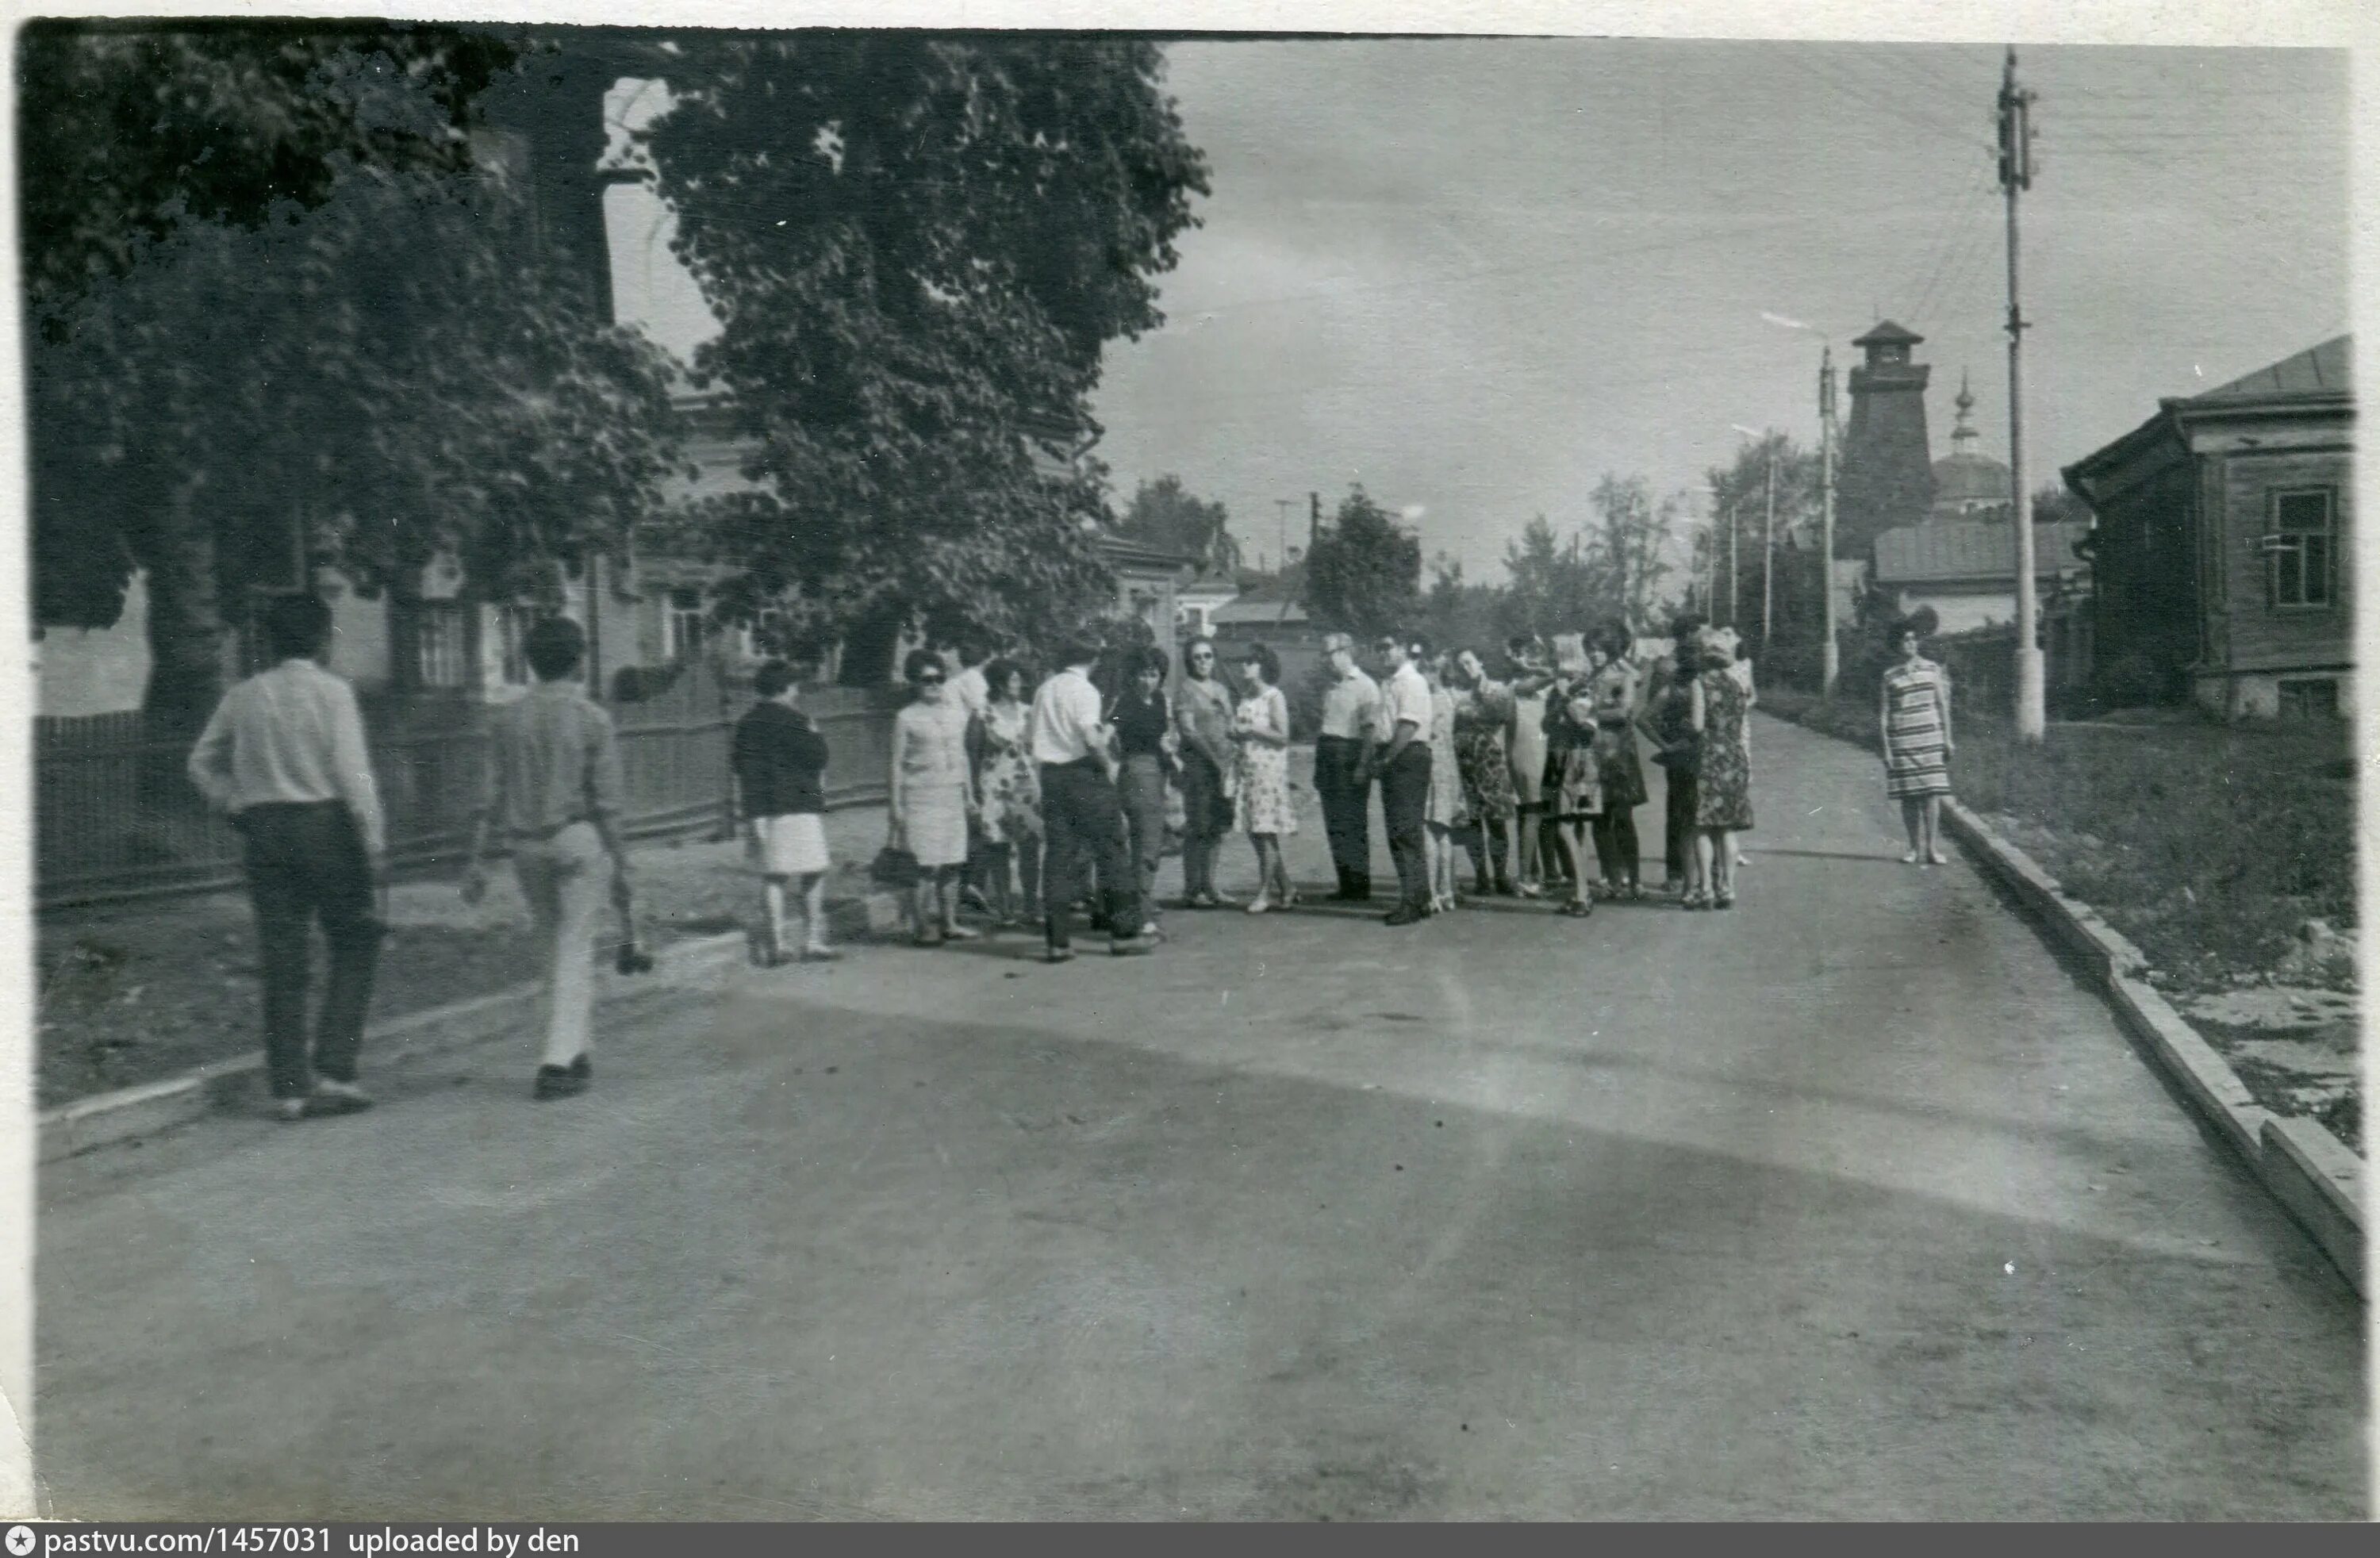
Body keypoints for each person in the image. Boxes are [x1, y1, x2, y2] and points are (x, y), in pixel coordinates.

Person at [187, 591, 385, 1121]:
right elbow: (352, 774)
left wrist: (232, 802)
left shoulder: (244, 695)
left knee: (282, 954)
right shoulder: (334, 694)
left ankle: (290, 1088)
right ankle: (336, 1069)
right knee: (355, 938)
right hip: (325, 828)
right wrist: (374, 841)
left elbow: (201, 761)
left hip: (265, 831)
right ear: (323, 640)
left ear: (271, 640)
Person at [460, 616, 632, 1101]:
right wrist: (622, 860)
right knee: (575, 947)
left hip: (525, 847)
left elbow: (488, 796)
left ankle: (574, 1050)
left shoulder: (507, 719)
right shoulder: (592, 718)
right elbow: (608, 802)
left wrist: (475, 859)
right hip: (575, 838)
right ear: (580, 660)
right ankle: (557, 1060)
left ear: (531, 663)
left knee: (551, 944)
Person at [1030, 635, 1156, 960]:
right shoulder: (1083, 690)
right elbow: (1090, 737)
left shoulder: (1045, 690)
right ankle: (1124, 935)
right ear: (1094, 660)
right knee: (1112, 851)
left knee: (1057, 857)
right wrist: (1109, 765)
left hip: (1052, 776)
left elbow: (1034, 737)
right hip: (1084, 775)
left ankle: (1057, 942)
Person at [731, 658, 835, 966]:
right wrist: (815, 733)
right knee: (814, 870)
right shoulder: (798, 720)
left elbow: (741, 767)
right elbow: (818, 758)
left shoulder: (747, 723)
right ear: (788, 688)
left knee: (774, 876)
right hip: (801, 803)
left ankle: (777, 944)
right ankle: (812, 939)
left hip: (764, 807)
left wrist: (753, 814)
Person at [889, 648, 980, 946]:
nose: (935, 685)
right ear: (914, 682)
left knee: (953, 862)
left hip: (951, 793)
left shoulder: (956, 715)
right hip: (921, 796)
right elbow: (896, 762)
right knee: (925, 866)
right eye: (927, 680)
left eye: (939, 679)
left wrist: (970, 794)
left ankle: (950, 922)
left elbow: (963, 756)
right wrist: (896, 804)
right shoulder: (906, 717)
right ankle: (922, 925)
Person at [1362, 631, 1435, 927]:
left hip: (1406, 756)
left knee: (1404, 832)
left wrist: (1387, 759)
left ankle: (1411, 902)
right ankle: (1421, 897)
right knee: (1403, 832)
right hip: (1398, 755)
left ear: (1404, 649)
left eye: (1388, 647)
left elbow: (1407, 726)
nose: (1383, 653)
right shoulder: (1390, 681)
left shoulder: (1411, 681)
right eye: (1379, 648)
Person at [970, 658, 1043, 925]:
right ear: (999, 684)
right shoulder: (982, 714)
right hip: (995, 788)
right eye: (1013, 679)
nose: (1019, 683)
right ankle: (1004, 908)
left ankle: (1031, 905)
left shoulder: (1029, 712)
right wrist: (974, 793)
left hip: (1026, 787)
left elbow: (1039, 750)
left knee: (1030, 848)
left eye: (1019, 678)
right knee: (999, 848)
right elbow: (973, 754)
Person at [1687, 627, 1756, 909]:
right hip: (1735, 756)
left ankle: (1706, 889)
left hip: (1709, 757)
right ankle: (1728, 887)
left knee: (1703, 825)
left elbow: (1698, 725)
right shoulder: (1737, 684)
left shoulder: (1699, 683)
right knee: (1728, 828)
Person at [1879, 617, 1956, 866]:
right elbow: (1884, 715)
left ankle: (1932, 849)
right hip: (1903, 739)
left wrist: (1948, 738)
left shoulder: (1932, 669)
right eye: (1905, 640)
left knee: (1932, 794)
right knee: (1910, 796)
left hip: (1930, 737)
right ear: (1897, 645)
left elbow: (1943, 706)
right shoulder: (1890, 676)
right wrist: (1887, 749)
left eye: (1913, 639)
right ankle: (1913, 848)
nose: (1910, 643)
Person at [1230, 642, 1299, 912]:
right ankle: (1288, 886)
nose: (1244, 666)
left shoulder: (1274, 697)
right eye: (1244, 661)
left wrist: (1251, 728)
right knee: (1255, 831)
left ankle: (1264, 893)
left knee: (1265, 831)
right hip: (1247, 771)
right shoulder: (1246, 696)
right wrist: (1235, 731)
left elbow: (1283, 736)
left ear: (1263, 666)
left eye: (1250, 661)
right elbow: (1243, 730)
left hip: (1267, 774)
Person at [1638, 614, 1705, 894]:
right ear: (1687, 634)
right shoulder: (1667, 667)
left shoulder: (1702, 662)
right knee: (1680, 811)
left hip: (1696, 746)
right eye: (1700, 632)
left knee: (1694, 810)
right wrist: (1670, 744)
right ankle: (1677, 872)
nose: (1704, 637)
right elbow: (1656, 711)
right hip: (1682, 748)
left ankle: (1701, 872)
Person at [1312, 631, 1381, 901]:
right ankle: (1345, 884)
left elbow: (1370, 732)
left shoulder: (1366, 686)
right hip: (1328, 755)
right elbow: (1325, 729)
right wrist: (1319, 768)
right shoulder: (1330, 687)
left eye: (1328, 653)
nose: (1325, 660)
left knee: (1353, 822)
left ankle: (1360, 885)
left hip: (1350, 757)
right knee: (1334, 822)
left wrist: (1363, 765)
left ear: (1345, 652)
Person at [1173, 635, 1238, 908]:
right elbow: (1188, 731)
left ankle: (1211, 885)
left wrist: (1231, 757)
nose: (1203, 662)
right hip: (1200, 766)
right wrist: (1213, 759)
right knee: (1198, 827)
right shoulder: (1186, 690)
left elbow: (1231, 725)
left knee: (1217, 827)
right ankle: (1192, 888)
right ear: (1190, 661)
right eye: (1197, 657)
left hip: (1224, 766)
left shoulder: (1222, 690)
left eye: (1207, 656)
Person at [1585, 621, 1649, 901]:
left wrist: (1588, 714)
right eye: (1589, 650)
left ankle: (1634, 878)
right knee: (1598, 819)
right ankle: (1612, 879)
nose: (1592, 655)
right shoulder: (1588, 678)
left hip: (1619, 756)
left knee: (1623, 818)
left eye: (1597, 650)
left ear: (1610, 650)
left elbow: (1624, 712)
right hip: (1593, 755)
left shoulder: (1622, 677)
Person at [1115, 645, 1175, 924]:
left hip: (1158, 771)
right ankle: (1139, 906)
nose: (1148, 681)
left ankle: (1141, 897)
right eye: (1142, 675)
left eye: (1153, 675)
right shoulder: (1124, 703)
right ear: (1132, 676)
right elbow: (1110, 734)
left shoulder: (1161, 700)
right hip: (1136, 770)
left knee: (1152, 838)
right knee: (1146, 838)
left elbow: (1166, 735)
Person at [1541, 643, 1600, 918]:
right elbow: (1545, 726)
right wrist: (1559, 701)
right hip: (1557, 759)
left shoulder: (1587, 692)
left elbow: (1587, 729)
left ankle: (1582, 894)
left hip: (1578, 763)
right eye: (1560, 671)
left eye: (1566, 671)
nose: (1562, 676)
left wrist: (1566, 699)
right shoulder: (1557, 693)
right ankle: (1581, 892)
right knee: (1567, 826)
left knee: (1572, 828)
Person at [1451, 648, 1518, 896]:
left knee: (1497, 820)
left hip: (1490, 759)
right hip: (1464, 761)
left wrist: (1480, 696)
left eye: (1468, 662)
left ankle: (1501, 875)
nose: (1465, 668)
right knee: (1472, 822)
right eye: (1460, 665)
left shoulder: (1498, 688)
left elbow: (1502, 716)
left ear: (1481, 661)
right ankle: (1481, 877)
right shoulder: (1456, 693)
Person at [1503, 635, 1557, 897]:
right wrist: (1529, 666)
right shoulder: (1519, 684)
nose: (1534, 659)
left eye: (1536, 653)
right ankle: (1526, 877)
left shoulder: (1528, 684)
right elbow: (1550, 673)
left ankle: (1535, 872)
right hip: (1529, 753)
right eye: (1526, 653)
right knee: (1532, 813)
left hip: (1532, 750)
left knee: (1530, 814)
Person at [1421, 653, 1469, 912]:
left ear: (1436, 674)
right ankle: (1447, 890)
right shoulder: (1451, 698)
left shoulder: (1435, 700)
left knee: (1428, 829)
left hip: (1434, 767)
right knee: (1443, 831)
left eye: (1428, 671)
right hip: (1449, 767)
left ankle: (1432, 892)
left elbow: (1426, 732)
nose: (1424, 675)